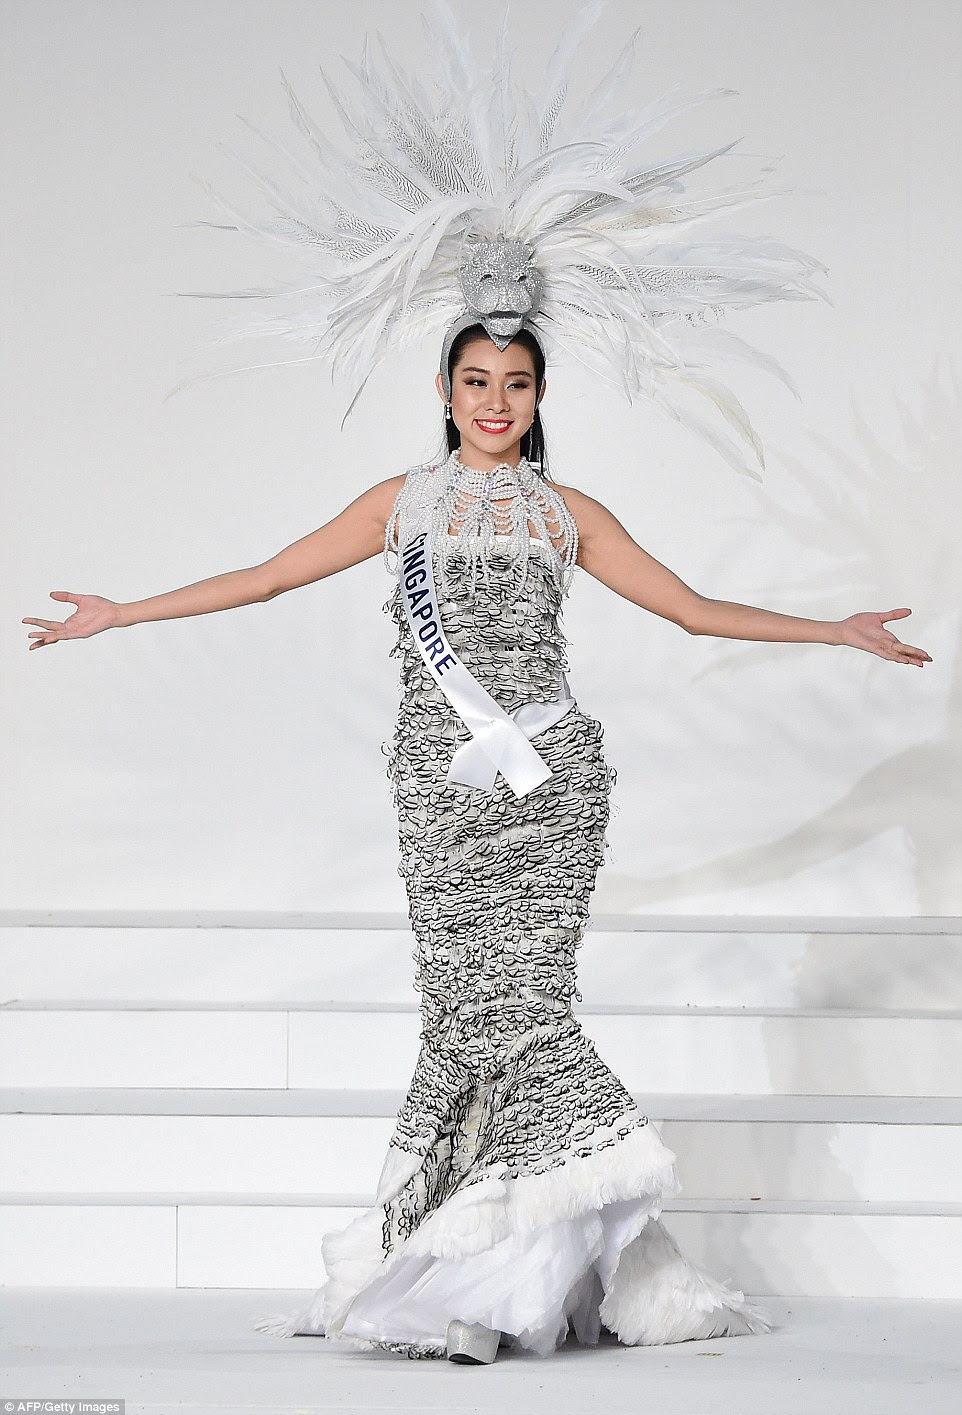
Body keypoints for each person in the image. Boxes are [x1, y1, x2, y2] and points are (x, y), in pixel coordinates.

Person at [21, 321, 931, 1364]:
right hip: (441, 791)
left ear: (540, 395)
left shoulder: (566, 513)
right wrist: (123, 613)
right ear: (445, 390)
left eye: (514, 382)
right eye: (473, 380)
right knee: (462, 1013)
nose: (493, 400)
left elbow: (688, 609)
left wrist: (831, 628)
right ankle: (474, 1272)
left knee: (528, 1009)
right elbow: (268, 577)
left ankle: (503, 1283)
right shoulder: (399, 504)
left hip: (549, 789)